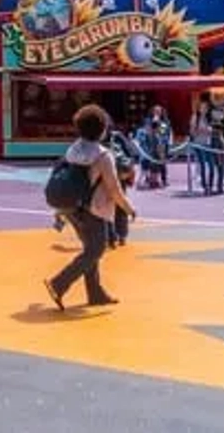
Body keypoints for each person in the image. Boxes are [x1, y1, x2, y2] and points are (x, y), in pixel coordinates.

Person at [45, 104, 136, 311]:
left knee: (90, 250)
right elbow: (114, 189)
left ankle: (95, 293)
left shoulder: (74, 148)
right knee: (96, 249)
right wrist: (129, 209)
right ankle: (59, 283)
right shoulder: (103, 156)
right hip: (93, 209)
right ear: (102, 129)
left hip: (73, 207)